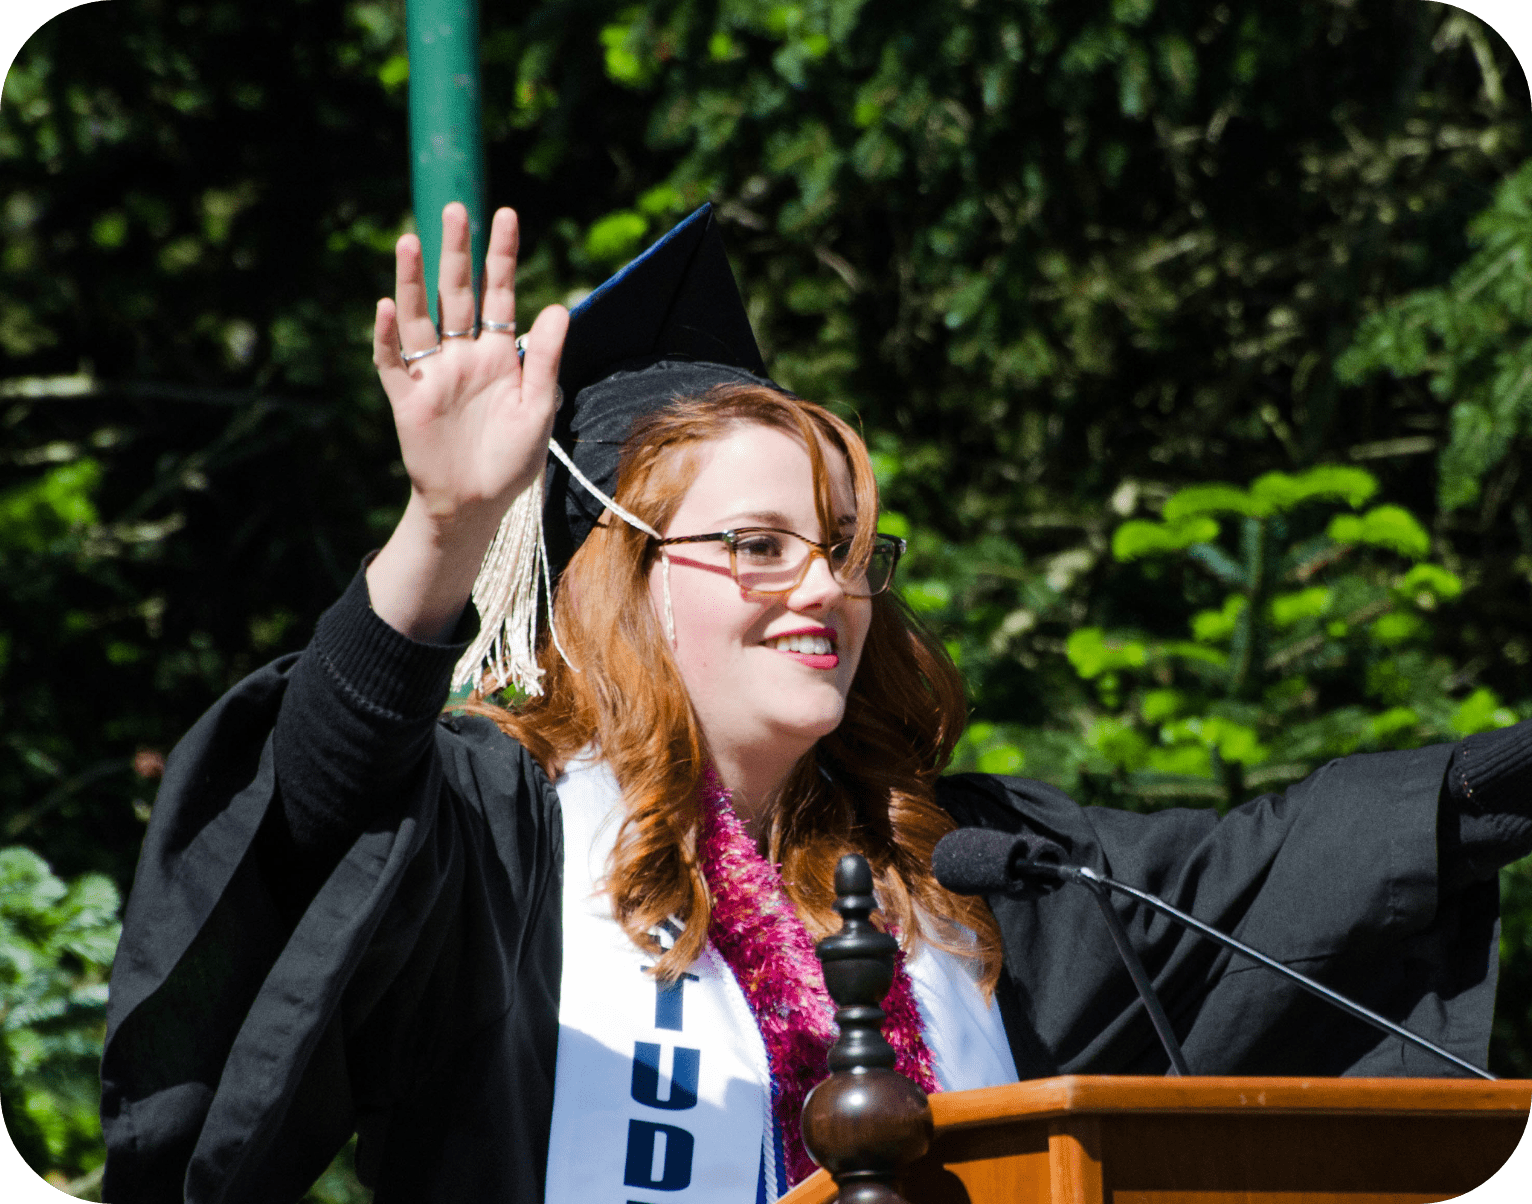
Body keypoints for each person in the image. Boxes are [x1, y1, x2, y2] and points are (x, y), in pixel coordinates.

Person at [101, 201, 1532, 1204]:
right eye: (760, 545)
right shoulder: (501, 843)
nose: (826, 589)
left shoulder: (951, 876)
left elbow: (1267, 879)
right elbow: (315, 803)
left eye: (847, 550)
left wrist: (1495, 790)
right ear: (620, 578)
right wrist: (443, 532)